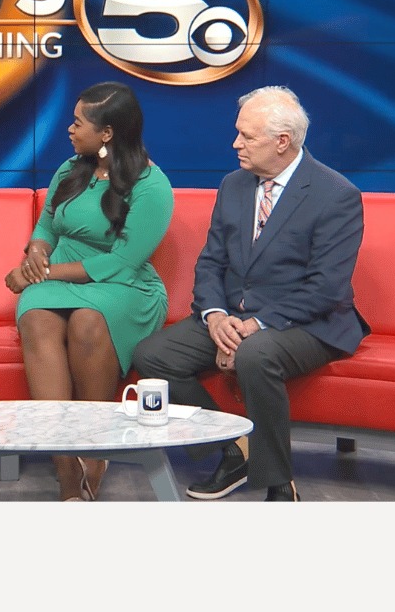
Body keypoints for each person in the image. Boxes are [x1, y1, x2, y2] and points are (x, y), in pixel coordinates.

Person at [133, 86, 370, 501]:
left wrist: (255, 326)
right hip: (233, 315)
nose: (235, 143)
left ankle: (279, 484)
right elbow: (210, 263)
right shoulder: (234, 185)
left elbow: (326, 289)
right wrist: (215, 316)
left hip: (307, 321)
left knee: (255, 353)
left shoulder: (337, 195)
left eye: (247, 136)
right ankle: (233, 449)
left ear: (283, 142)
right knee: (153, 355)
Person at [5, 82, 174, 501]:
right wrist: (37, 253)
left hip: (121, 285)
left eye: (78, 122)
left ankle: (94, 453)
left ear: (108, 133)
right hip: (58, 275)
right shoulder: (71, 168)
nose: (69, 128)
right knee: (36, 317)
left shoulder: (152, 185)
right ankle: (65, 467)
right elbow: (46, 224)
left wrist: (40, 274)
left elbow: (121, 262)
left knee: (87, 321)